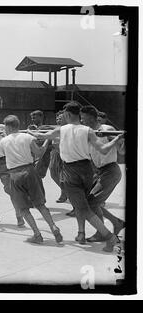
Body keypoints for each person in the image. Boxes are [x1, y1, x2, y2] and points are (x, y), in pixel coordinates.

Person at [29, 101, 123, 252]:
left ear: (67, 114)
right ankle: (81, 233)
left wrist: (29, 133)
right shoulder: (88, 130)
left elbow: (41, 135)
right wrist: (117, 140)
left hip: (71, 170)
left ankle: (109, 236)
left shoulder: (63, 129)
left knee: (83, 207)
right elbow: (104, 150)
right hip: (87, 170)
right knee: (83, 204)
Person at [0, 115, 63, 244]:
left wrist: (5, 137)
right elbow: (39, 153)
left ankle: (37, 234)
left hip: (15, 174)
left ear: (9, 127)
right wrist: (47, 140)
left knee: (23, 208)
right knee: (40, 204)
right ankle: (53, 226)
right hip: (30, 171)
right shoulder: (28, 137)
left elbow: (7, 149)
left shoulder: (3, 141)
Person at [80, 105, 125, 242]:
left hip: (110, 170)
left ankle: (101, 233)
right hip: (98, 171)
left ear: (91, 117)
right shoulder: (88, 132)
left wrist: (119, 139)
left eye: (83, 117)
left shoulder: (107, 130)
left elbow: (122, 151)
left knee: (91, 203)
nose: (82, 120)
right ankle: (116, 222)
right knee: (89, 202)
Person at [28, 110, 54, 179]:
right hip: (33, 156)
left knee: (37, 176)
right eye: (32, 118)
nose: (33, 120)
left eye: (34, 118)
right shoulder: (31, 129)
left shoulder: (46, 128)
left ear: (41, 117)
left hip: (43, 156)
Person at [49, 111, 68, 203]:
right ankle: (65, 191)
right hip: (55, 153)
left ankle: (64, 194)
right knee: (53, 174)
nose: (58, 120)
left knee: (64, 177)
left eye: (60, 118)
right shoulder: (55, 128)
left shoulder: (68, 128)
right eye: (57, 118)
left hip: (65, 153)